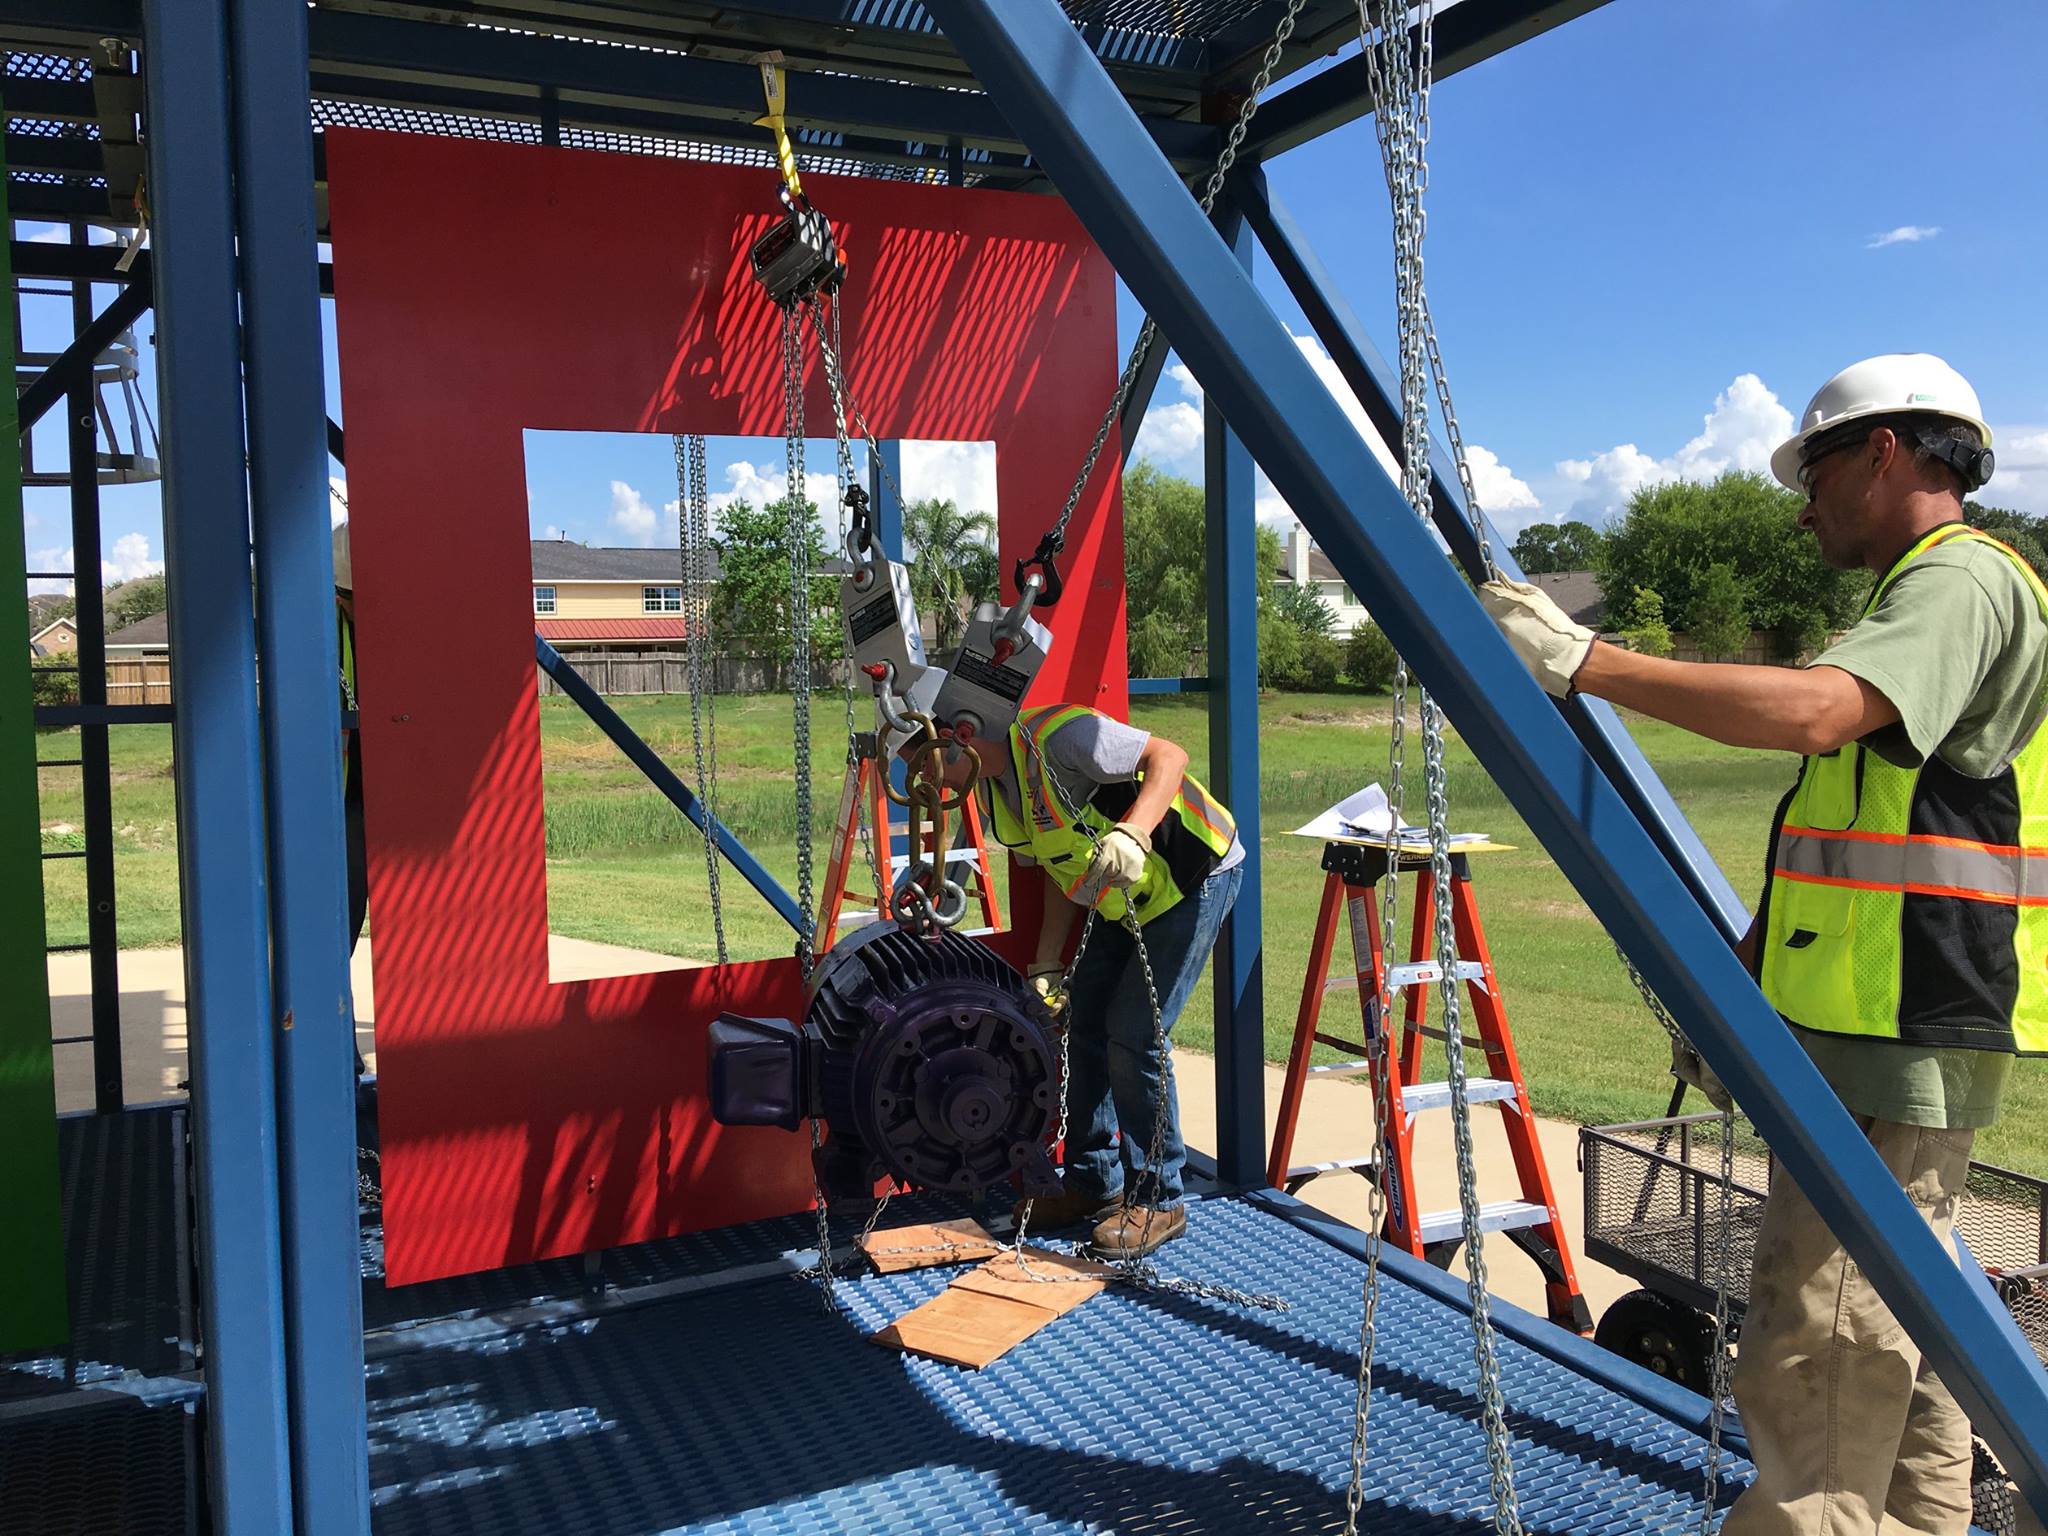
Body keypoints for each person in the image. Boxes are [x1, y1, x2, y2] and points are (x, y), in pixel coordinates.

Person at [1481, 353, 2034, 1535]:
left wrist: (1588, 662)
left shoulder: (1961, 581)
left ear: (1886, 450)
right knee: (1898, 1326)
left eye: (1817, 466)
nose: (1803, 500)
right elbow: (1847, 833)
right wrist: (1746, 981)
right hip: (1871, 1011)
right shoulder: (1918, 595)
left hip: (1899, 1016)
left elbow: (1816, 711)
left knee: (1815, 1338)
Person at [922, 699, 1242, 1258]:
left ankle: (1159, 1197)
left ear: (961, 737)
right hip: (1124, 897)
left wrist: (1135, 833)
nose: (923, 780)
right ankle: (1094, 1183)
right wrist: (1048, 963)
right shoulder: (1001, 792)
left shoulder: (1061, 738)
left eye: (924, 762)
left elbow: (1170, 756)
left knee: (1136, 1033)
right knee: (1086, 1022)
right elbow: (1061, 867)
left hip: (1195, 875)